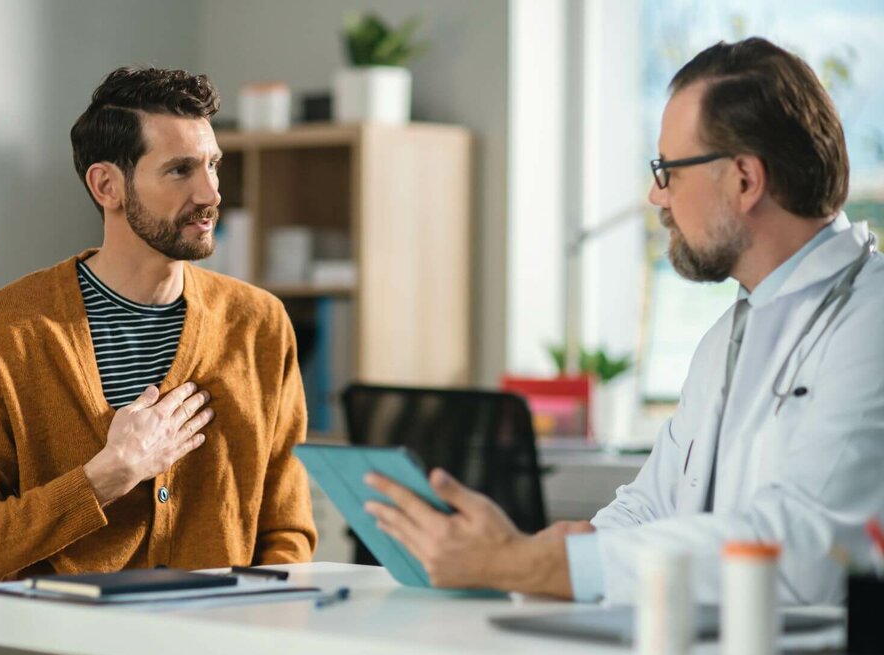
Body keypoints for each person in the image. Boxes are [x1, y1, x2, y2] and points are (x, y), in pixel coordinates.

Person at [364, 37, 884, 604]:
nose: (655, 195)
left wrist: (527, 563)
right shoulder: (726, 339)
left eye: (669, 170)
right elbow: (652, 504)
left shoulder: (869, 320)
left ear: (744, 180)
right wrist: (527, 555)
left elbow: (806, 551)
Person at [0, 66, 316, 585]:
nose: (211, 194)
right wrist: (105, 478)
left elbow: (288, 534)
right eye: (180, 171)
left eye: (213, 166)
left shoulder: (259, 325)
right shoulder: (9, 331)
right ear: (108, 185)